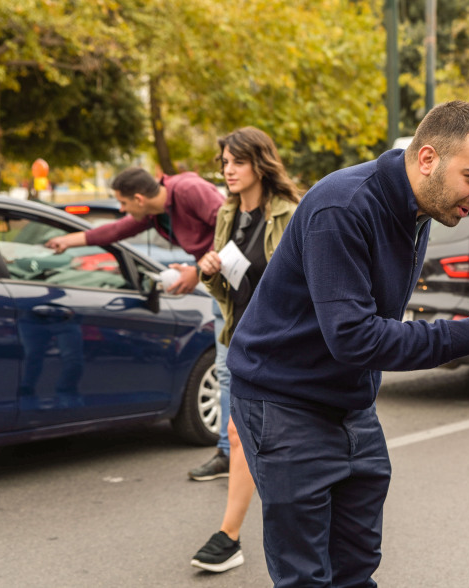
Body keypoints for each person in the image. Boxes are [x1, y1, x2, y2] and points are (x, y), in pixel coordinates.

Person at [226, 100, 469, 587]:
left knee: (357, 566)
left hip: (350, 406)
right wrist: (465, 336)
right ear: (427, 159)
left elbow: (371, 324)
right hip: (283, 403)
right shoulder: (342, 206)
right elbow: (353, 335)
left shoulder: (421, 210)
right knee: (307, 578)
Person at [44, 167, 236, 480]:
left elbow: (233, 230)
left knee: (241, 371)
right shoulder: (154, 212)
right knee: (227, 373)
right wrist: (69, 241)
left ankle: (259, 448)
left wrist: (195, 271)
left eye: (122, 203)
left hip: (242, 288)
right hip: (218, 287)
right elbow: (115, 231)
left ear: (138, 198)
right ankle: (228, 453)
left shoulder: (188, 189)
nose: (121, 209)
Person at [189, 127, 300, 573]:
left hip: (279, 345)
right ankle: (232, 536)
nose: (228, 170)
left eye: (236, 162)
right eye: (224, 163)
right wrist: (210, 270)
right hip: (240, 339)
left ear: (259, 162)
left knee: (252, 436)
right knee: (243, 435)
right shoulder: (227, 214)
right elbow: (227, 288)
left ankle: (233, 535)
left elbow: (300, 284)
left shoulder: (290, 214)